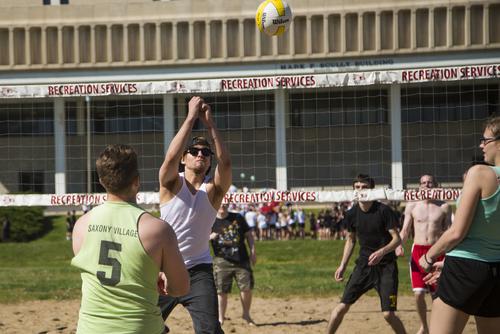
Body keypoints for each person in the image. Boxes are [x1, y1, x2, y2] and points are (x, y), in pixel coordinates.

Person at [71, 144, 189, 334]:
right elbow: (180, 288)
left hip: (91, 328)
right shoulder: (157, 229)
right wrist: (156, 275)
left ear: (101, 181)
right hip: (140, 327)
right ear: (137, 181)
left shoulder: (81, 226)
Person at [418, 116, 500, 334]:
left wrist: (428, 257)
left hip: (465, 267)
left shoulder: (480, 173)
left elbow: (456, 232)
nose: (481, 145)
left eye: (485, 140)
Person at [158, 96, 232, 334]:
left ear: (210, 161)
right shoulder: (171, 184)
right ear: (184, 158)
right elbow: (169, 158)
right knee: (140, 326)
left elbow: (227, 165)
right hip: (163, 268)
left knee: (210, 330)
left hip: (198, 270)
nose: (200, 154)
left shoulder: (212, 192)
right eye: (194, 151)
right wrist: (191, 117)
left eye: (205, 152)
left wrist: (210, 125)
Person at [327, 174, 406, 334]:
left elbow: (397, 239)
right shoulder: (351, 214)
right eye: (357, 187)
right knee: (340, 308)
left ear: (372, 190)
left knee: (388, 314)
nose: (360, 190)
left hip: (386, 267)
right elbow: (350, 240)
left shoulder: (384, 211)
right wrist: (342, 265)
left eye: (364, 187)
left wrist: (382, 252)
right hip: (364, 266)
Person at [395, 174, 451, 334]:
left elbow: (449, 232)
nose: (427, 185)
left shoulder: (444, 206)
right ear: (419, 186)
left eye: (430, 182)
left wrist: (449, 253)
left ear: (436, 185)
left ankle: (436, 327)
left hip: (437, 252)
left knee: (437, 296)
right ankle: (424, 326)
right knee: (419, 294)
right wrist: (400, 245)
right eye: (423, 183)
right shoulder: (412, 205)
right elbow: (405, 230)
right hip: (418, 251)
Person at [210, 203, 256, 326]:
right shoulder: (210, 219)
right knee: (221, 291)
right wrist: (210, 237)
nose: (223, 205)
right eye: (220, 203)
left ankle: (246, 315)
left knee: (246, 288)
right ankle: (221, 318)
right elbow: (200, 238)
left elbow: (249, 235)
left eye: (225, 203)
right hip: (221, 260)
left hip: (241, 258)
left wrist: (253, 251)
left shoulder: (238, 217)